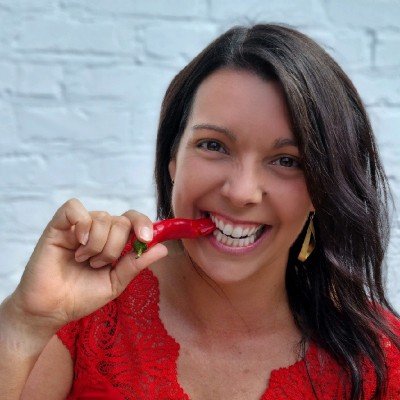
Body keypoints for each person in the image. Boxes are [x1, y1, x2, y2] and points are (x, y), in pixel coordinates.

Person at [0, 23, 399, 400]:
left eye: (287, 161)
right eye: (213, 146)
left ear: (321, 188)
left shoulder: (380, 358)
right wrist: (24, 322)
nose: (241, 192)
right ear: (172, 158)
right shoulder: (85, 310)